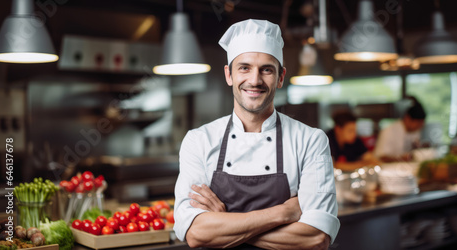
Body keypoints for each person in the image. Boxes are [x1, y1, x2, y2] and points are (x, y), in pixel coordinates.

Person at [173, 19, 340, 249]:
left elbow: (316, 238)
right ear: (228, 75)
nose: (254, 80)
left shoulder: (310, 140)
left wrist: (225, 222)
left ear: (281, 77)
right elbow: (196, 233)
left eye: (267, 70)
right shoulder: (199, 141)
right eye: (244, 67)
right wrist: (283, 213)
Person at [374, 97, 426, 162]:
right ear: (407, 119)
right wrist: (401, 158)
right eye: (418, 124)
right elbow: (380, 157)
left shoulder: (415, 131)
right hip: (390, 169)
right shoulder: (389, 131)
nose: (420, 127)